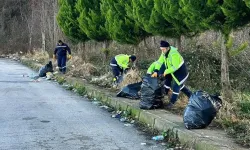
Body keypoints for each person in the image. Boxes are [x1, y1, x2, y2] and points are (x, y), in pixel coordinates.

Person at [151, 40, 192, 109]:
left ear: (168, 48)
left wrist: (166, 71)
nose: (162, 51)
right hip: (172, 71)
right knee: (171, 82)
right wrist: (156, 71)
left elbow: (175, 67)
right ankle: (192, 97)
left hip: (181, 73)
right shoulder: (164, 53)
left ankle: (172, 103)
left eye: (163, 49)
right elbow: (159, 62)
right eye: (161, 49)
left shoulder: (174, 54)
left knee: (176, 86)